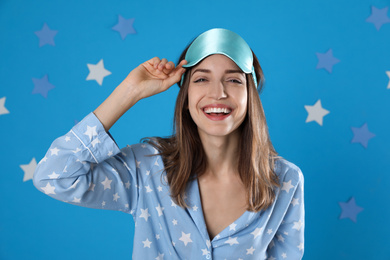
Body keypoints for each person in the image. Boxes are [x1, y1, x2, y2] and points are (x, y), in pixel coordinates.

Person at [33, 28, 304, 260]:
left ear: (251, 95)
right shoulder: (147, 167)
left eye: (233, 80)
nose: (218, 93)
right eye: (201, 79)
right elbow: (53, 176)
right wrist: (130, 91)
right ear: (185, 95)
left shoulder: (285, 180)